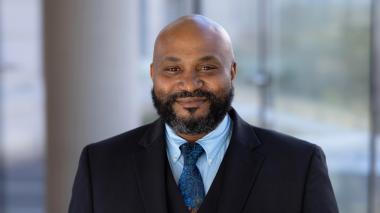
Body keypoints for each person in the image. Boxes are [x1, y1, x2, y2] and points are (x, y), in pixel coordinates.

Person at [69, 15, 339, 213]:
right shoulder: (100, 166)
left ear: (232, 72)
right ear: (153, 75)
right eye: (173, 70)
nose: (189, 84)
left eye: (207, 68)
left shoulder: (299, 165)